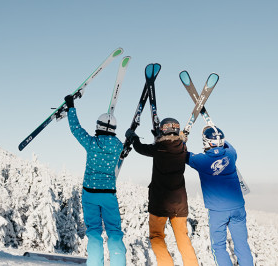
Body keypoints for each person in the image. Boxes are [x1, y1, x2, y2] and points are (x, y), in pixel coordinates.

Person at [125, 118, 199, 266]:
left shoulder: (158, 148)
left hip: (159, 203)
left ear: (162, 131)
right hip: (179, 203)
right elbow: (178, 141)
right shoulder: (182, 148)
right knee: (183, 239)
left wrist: (133, 137)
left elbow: (140, 148)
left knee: (156, 237)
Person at [64, 94, 127, 266]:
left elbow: (76, 129)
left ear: (98, 126)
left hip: (90, 193)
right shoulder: (119, 146)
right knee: (114, 232)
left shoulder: (92, 143)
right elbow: (125, 150)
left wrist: (71, 107)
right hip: (108, 194)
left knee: (94, 232)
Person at [186, 125, 253, 266]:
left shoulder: (200, 160)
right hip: (238, 208)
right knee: (242, 245)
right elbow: (228, 145)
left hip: (218, 211)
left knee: (219, 247)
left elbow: (181, 153)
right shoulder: (231, 155)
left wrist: (183, 139)